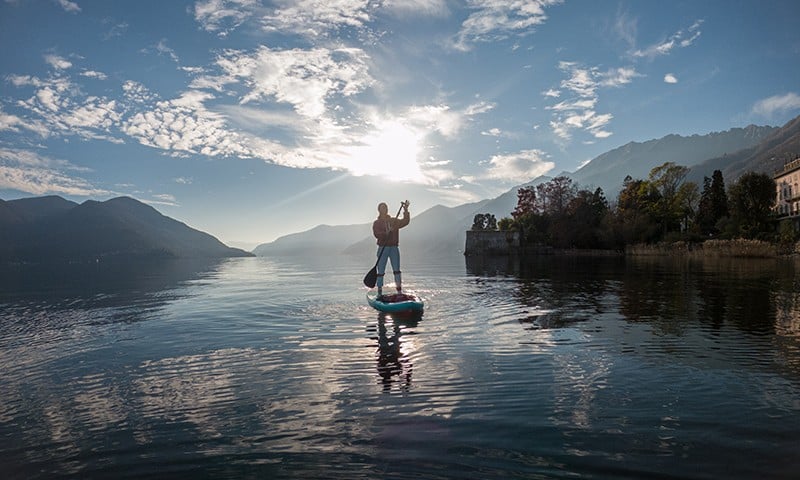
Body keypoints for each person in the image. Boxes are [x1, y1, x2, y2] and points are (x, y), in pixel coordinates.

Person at [372, 200, 410, 297]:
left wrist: (405, 210)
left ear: (387, 209)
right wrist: (386, 233)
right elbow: (376, 234)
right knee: (381, 271)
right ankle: (379, 291)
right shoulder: (376, 223)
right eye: (382, 208)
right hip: (382, 248)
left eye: (385, 208)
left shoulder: (394, 221)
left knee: (396, 270)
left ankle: (399, 291)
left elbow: (405, 222)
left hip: (394, 247)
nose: (384, 210)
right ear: (379, 210)